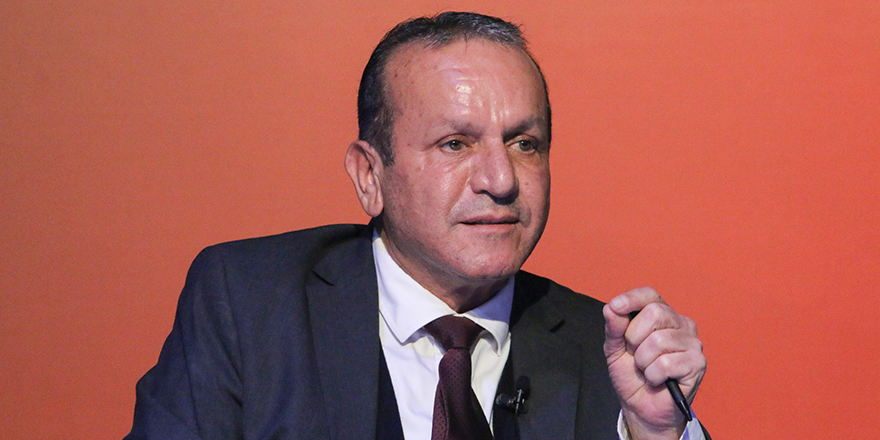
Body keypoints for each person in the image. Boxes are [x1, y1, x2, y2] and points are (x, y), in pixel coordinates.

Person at [126, 12, 708, 440]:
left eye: (524, 144)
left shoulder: (611, 354)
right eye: (455, 143)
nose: (501, 180)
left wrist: (656, 435)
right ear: (369, 176)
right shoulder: (249, 304)